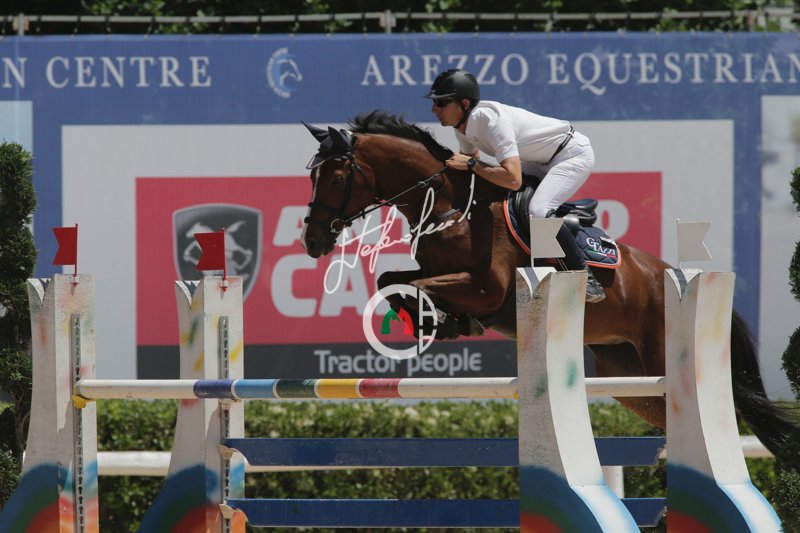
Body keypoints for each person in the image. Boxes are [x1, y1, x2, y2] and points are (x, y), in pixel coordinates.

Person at [425, 68, 605, 303]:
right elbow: (470, 166)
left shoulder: (490, 120)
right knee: (501, 197)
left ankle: (586, 277)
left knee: (538, 210)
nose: (434, 109)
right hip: (538, 160)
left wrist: (471, 164)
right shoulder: (463, 127)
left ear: (464, 104)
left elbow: (512, 178)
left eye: (441, 103)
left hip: (570, 155)